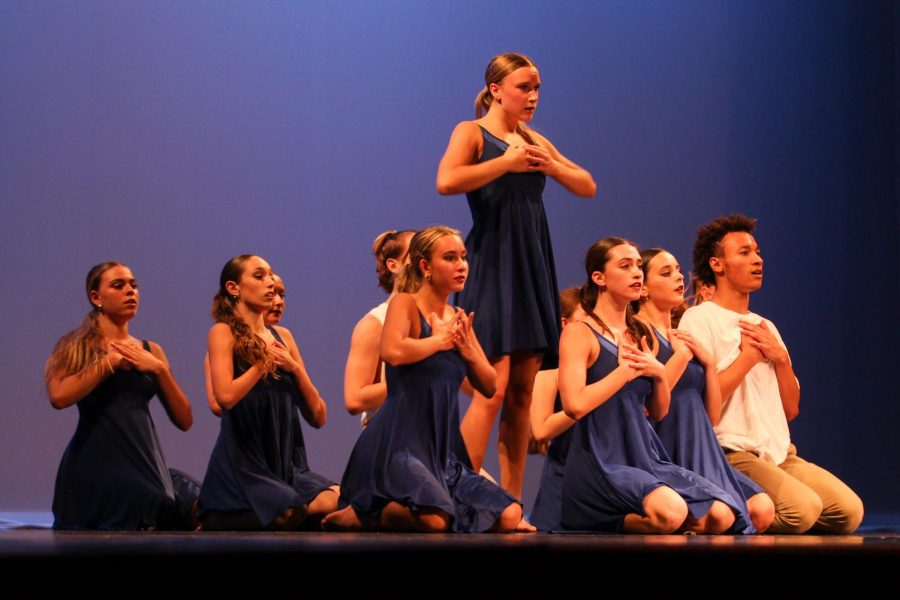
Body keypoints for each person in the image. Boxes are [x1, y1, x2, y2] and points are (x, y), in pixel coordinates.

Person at [436, 52, 597, 499]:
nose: (533, 96)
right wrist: (504, 164)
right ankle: (463, 494)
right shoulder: (471, 133)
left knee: (523, 393)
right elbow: (447, 181)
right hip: (493, 262)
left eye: (537, 88)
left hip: (532, 266)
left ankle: (510, 502)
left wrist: (551, 165)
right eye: (525, 87)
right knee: (493, 387)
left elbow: (586, 185)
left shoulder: (532, 139)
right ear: (495, 90)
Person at [323, 226, 530, 533]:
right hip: (399, 445)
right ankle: (365, 514)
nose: (461, 265)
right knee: (434, 520)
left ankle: (402, 511)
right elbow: (393, 351)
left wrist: (469, 350)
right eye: (450, 258)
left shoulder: (458, 316)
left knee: (510, 514)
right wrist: (440, 341)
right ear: (425, 267)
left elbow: (488, 386)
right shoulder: (404, 304)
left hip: (442, 448)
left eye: (463, 257)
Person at [678, 214, 864, 534]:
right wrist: (748, 357)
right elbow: (703, 403)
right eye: (744, 252)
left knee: (848, 512)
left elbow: (790, 410)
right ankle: (725, 521)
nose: (757, 259)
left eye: (758, 252)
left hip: (777, 453)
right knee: (801, 511)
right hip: (732, 451)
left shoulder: (767, 326)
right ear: (718, 264)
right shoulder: (699, 319)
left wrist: (780, 360)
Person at [559, 238, 743, 534]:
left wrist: (658, 375)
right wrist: (625, 372)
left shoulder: (637, 334)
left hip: (645, 456)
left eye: (637, 266)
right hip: (603, 459)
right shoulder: (580, 333)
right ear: (599, 277)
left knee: (722, 513)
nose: (636, 272)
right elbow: (574, 405)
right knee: (671, 514)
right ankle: (592, 519)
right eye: (625, 266)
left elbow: (658, 411)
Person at [47, 262, 198, 530]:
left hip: (141, 458)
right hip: (96, 462)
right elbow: (59, 397)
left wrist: (160, 369)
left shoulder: (151, 350)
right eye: (119, 285)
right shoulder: (75, 346)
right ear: (96, 298)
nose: (130, 291)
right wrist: (111, 362)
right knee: (155, 503)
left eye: (134, 285)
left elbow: (184, 420)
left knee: (197, 502)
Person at [635, 248, 774, 533]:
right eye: (666, 273)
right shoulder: (639, 332)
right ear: (644, 288)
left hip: (700, 444)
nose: (678, 278)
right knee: (719, 517)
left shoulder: (680, 335)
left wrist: (709, 365)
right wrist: (683, 357)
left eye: (677, 270)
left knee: (762, 509)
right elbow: (650, 404)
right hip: (665, 446)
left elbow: (710, 415)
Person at [199, 255, 338, 530]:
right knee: (289, 513)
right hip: (246, 461)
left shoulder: (283, 337)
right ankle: (221, 513)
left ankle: (253, 512)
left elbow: (319, 417)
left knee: (340, 500)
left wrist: (295, 368)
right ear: (234, 287)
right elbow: (225, 397)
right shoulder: (223, 332)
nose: (271, 282)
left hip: (284, 461)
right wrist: (261, 366)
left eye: (271, 275)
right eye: (259, 276)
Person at [344, 230, 414, 428]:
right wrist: (415, 380)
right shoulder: (375, 323)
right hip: (390, 439)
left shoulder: (438, 320)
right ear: (394, 265)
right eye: (415, 253)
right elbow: (354, 399)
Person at [528, 287, 583, 531]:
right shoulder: (549, 375)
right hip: (562, 482)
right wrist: (584, 402)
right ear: (565, 323)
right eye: (585, 320)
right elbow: (540, 431)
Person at [204, 273, 286, 417]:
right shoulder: (225, 342)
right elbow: (218, 404)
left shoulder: (284, 339)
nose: (277, 301)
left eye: (281, 294)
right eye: (272, 294)